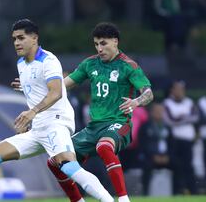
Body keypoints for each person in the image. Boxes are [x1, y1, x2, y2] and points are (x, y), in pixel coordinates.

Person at [0, 19, 114, 202]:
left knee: (69, 167)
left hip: (56, 123)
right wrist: (28, 89)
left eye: (21, 38)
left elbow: (56, 92)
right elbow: (39, 86)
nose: (16, 43)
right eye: (14, 39)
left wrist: (32, 112)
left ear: (34, 38)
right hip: (38, 129)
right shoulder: (21, 63)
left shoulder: (49, 60)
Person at [45, 22, 154, 202]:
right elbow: (62, 86)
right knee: (54, 162)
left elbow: (148, 94)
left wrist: (136, 102)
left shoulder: (129, 66)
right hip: (93, 128)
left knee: (104, 146)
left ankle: (123, 198)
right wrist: (32, 88)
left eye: (103, 43)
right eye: (96, 44)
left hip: (118, 123)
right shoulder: (90, 64)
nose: (99, 48)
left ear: (115, 41)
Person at [163, 80, 198, 194]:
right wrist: (185, 118)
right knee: (177, 167)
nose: (179, 91)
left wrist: (179, 118)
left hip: (188, 141)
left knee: (189, 167)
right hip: (175, 141)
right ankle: (177, 191)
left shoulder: (189, 102)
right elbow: (169, 121)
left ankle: (193, 191)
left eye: (181, 89)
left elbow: (195, 117)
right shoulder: (167, 103)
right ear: (172, 90)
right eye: (177, 89)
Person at [138, 103, 176, 195]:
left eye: (161, 111)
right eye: (156, 111)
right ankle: (145, 193)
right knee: (146, 167)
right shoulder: (145, 126)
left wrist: (168, 156)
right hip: (151, 157)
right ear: (151, 112)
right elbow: (143, 144)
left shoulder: (167, 127)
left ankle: (177, 192)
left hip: (166, 157)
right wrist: (153, 156)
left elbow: (172, 144)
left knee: (178, 165)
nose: (159, 113)